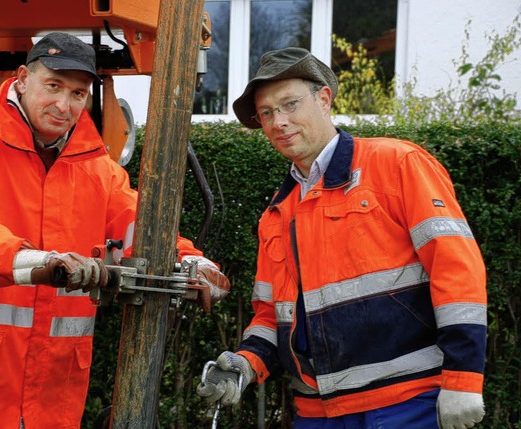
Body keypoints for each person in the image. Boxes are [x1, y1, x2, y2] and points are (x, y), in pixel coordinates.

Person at [0, 32, 229, 429]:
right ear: (21, 78)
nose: (63, 105)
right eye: (53, 86)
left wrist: (191, 260)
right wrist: (39, 261)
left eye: (77, 94)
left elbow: (138, 224)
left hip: (48, 395)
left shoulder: (94, 164)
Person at [197, 47, 487, 429]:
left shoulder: (397, 164)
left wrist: (463, 379)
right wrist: (244, 365)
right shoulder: (276, 213)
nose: (278, 121)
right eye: (266, 113)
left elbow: (456, 268)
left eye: (289, 104)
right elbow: (273, 314)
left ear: (324, 98)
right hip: (317, 411)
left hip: (406, 401)